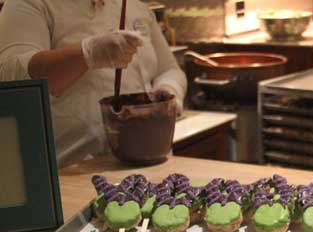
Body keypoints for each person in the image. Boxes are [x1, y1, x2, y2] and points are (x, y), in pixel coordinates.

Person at [0, 0, 187, 168]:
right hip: (69, 171)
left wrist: (168, 90)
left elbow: (169, 69)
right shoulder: (29, 4)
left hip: (148, 163)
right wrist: (87, 54)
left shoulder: (136, 7)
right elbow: (14, 79)